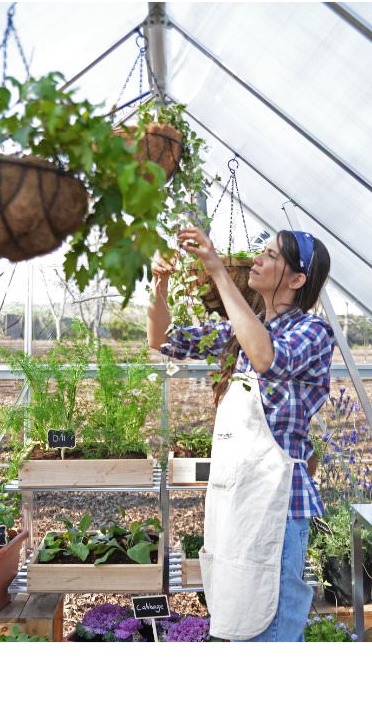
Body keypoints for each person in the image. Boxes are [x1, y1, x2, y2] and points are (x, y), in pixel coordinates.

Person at [148, 226, 334, 642]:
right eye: (260, 252)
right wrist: (159, 284)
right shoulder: (240, 332)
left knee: (273, 627)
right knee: (245, 618)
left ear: (297, 279)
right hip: (241, 502)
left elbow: (266, 356)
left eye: (270, 256)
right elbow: (162, 340)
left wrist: (217, 270)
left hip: (278, 504)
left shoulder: (312, 332)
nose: (257, 260)